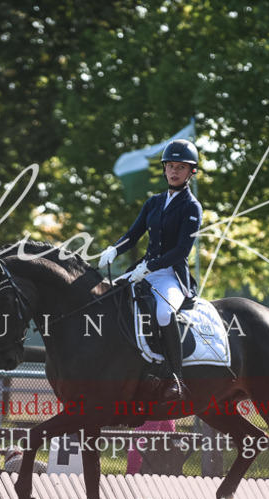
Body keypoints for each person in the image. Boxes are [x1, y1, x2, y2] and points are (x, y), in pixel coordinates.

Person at [98, 138, 203, 402]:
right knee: (106, 297)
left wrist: (150, 267)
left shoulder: (191, 207)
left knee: (164, 314)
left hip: (171, 276)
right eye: (171, 166)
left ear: (191, 172)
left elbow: (182, 250)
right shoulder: (153, 203)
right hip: (144, 269)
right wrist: (114, 250)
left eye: (181, 167)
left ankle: (175, 378)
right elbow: (133, 235)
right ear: (164, 168)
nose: (174, 171)